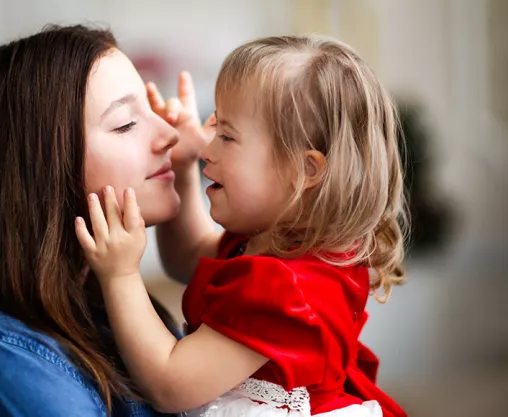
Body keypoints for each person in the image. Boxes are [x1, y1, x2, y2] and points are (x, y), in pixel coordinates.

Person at [75, 35, 408, 417]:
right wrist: (182, 169)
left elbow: (169, 384)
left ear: (304, 169)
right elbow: (187, 257)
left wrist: (120, 276)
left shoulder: (286, 289)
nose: (207, 149)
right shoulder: (273, 241)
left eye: (227, 136)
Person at [0, 24, 202, 416]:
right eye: (126, 123)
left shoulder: (111, 316)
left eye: (154, 112)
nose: (169, 135)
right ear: (42, 168)